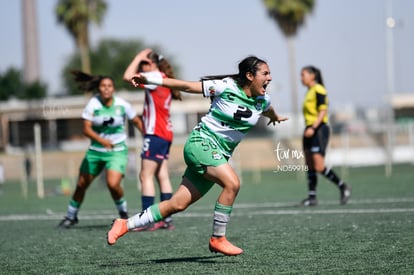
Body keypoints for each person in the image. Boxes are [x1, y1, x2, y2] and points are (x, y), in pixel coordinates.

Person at [107, 55, 288, 256]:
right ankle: (218, 238)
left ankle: (124, 224)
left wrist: (276, 117)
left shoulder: (262, 100)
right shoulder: (225, 86)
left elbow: (268, 109)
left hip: (218, 154)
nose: (270, 78)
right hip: (201, 144)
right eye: (265, 73)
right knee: (233, 183)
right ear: (249, 76)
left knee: (177, 204)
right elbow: (185, 86)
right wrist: (150, 79)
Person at [58, 71, 143, 228]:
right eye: (103, 86)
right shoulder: (93, 104)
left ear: (113, 88)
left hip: (117, 151)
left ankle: (124, 215)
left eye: (109, 86)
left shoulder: (123, 105)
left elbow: (136, 121)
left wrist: (148, 135)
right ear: (99, 88)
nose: (106, 88)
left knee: (112, 184)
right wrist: (102, 141)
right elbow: (86, 129)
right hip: (95, 151)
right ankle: (71, 216)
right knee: (81, 184)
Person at [123, 49, 181, 231]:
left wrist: (136, 56)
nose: (142, 66)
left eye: (145, 63)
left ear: (154, 64)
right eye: (142, 64)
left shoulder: (154, 77)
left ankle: (146, 219)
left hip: (155, 133)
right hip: (165, 133)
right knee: (161, 175)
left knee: (145, 175)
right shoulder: (163, 77)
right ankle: (166, 219)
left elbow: (127, 76)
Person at [300, 65, 351, 206]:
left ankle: (343, 186)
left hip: (318, 129)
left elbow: (323, 111)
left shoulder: (319, 89)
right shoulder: (309, 91)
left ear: (312, 76)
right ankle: (312, 197)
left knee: (318, 165)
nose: (301, 77)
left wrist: (314, 127)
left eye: (303, 74)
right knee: (309, 164)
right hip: (308, 129)